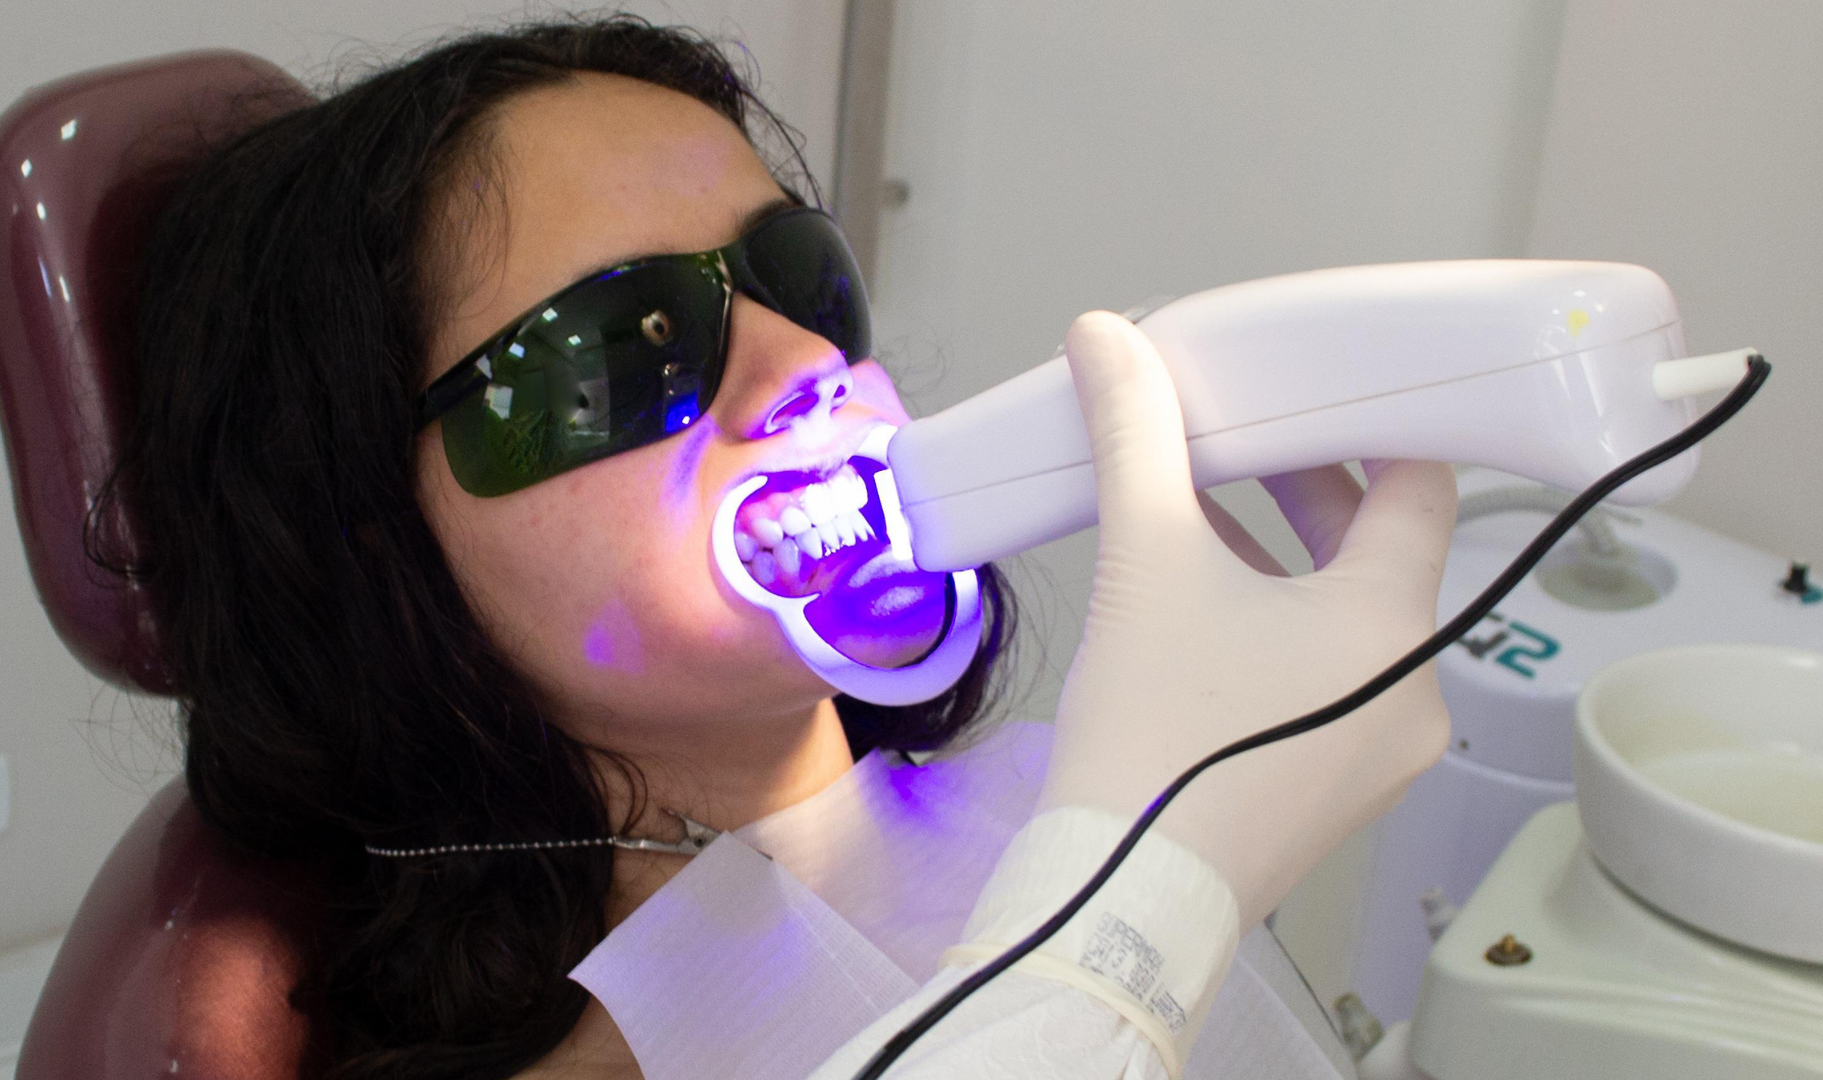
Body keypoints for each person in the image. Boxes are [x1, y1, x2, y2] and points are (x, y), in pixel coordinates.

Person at [108, 15, 1456, 1080]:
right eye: (630, 344)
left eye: (802, 276)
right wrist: (1154, 912)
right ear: (373, 537)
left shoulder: (1025, 808)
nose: (809, 362)